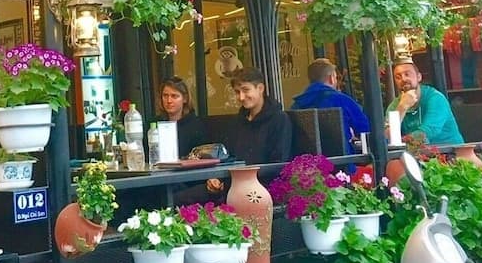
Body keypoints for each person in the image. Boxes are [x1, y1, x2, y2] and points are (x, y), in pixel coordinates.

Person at [207, 67, 293, 195]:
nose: (241, 97)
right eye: (237, 92)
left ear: (260, 88)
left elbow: (279, 162)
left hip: (263, 189)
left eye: (246, 90)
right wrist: (217, 178)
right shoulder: (238, 121)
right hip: (232, 185)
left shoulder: (279, 119)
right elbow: (228, 156)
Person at [292, 58, 371, 154]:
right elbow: (366, 129)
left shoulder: (296, 105)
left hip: (308, 162)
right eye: (336, 77)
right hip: (342, 160)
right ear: (331, 78)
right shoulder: (341, 100)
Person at [387, 60, 464, 145]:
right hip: (415, 151)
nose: (403, 79)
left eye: (407, 74)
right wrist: (402, 108)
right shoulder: (395, 105)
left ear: (419, 77)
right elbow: (387, 137)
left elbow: (429, 131)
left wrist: (401, 141)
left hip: (448, 149)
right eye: (398, 77)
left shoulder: (435, 98)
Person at [158, 77, 206, 158]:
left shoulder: (195, 126)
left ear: (185, 99)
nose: (169, 101)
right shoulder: (156, 124)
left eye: (174, 96)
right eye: (165, 96)